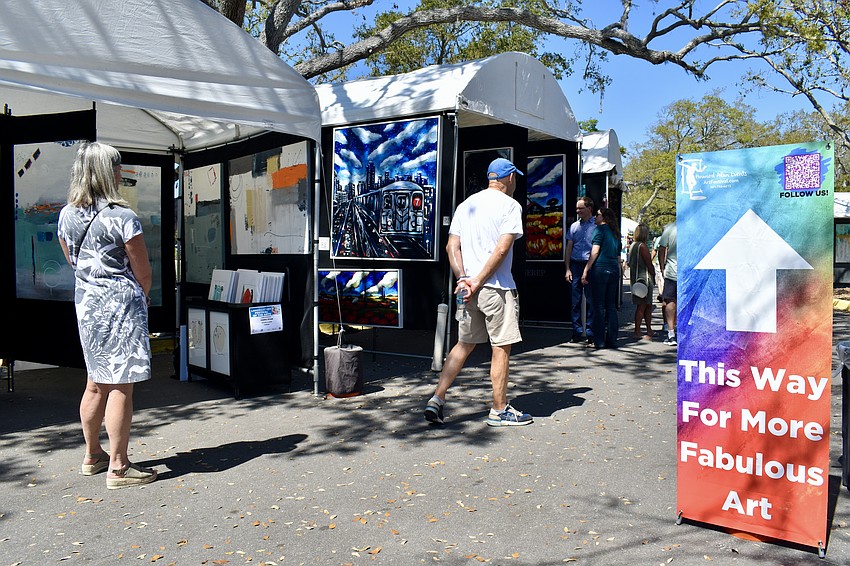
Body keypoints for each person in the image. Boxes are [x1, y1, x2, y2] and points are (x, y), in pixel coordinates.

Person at [57, 142, 158, 489]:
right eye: (116, 167)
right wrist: (140, 297)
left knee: (96, 382)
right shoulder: (122, 216)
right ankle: (119, 466)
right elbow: (143, 271)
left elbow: (73, 260)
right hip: (120, 305)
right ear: (106, 172)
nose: (120, 172)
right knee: (121, 387)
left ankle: (92, 454)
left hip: (87, 304)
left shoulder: (66, 214)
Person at [424, 158, 532, 427]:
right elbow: (502, 250)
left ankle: (437, 398)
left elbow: (452, 248)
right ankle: (499, 409)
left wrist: (464, 279)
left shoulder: (466, 204)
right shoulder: (511, 206)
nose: (515, 181)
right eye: (514, 177)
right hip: (496, 289)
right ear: (508, 179)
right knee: (501, 348)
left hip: (467, 288)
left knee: (464, 344)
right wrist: (479, 281)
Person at [581, 208, 621, 349]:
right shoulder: (615, 233)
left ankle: (599, 341)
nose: (595, 217)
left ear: (603, 217)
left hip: (600, 269)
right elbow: (618, 257)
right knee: (611, 306)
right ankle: (612, 339)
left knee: (598, 306)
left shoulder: (599, 231)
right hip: (614, 270)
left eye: (597, 215)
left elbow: (595, 251)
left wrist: (586, 269)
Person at [564, 197, 596, 344]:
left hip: (590, 265)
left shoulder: (597, 225)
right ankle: (577, 332)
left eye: (580, 208)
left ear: (589, 208)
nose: (578, 211)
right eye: (577, 208)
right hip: (576, 265)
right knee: (575, 301)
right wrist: (567, 268)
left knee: (591, 300)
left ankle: (590, 333)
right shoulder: (574, 226)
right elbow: (569, 247)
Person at [628, 223, 656, 340]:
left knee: (646, 305)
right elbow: (649, 264)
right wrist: (653, 274)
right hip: (644, 279)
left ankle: (648, 330)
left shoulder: (633, 245)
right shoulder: (642, 246)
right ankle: (638, 331)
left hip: (636, 278)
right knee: (643, 305)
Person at [657, 221, 678, 346]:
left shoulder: (670, 228)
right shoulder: (694, 224)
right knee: (687, 302)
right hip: (689, 271)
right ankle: (683, 332)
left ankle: (671, 333)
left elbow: (662, 249)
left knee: (670, 301)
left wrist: (662, 267)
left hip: (672, 271)